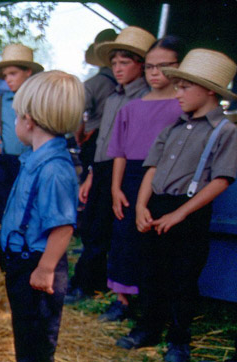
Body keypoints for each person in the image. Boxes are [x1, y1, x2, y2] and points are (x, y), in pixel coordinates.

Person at [117, 49, 237, 362]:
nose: (178, 93)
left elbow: (221, 180)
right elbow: (151, 168)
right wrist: (142, 205)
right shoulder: (171, 127)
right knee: (150, 271)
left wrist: (181, 212)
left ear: (209, 89)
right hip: (157, 204)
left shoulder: (224, 131)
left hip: (189, 210)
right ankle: (148, 328)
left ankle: (179, 340)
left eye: (184, 87)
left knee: (183, 277)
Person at [0, 71, 85, 362]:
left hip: (38, 265)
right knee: (25, 329)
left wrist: (45, 269)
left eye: (16, 116)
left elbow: (62, 226)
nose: (15, 122)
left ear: (28, 121)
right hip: (24, 261)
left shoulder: (55, 169)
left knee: (37, 338)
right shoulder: (36, 158)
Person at [67, 27, 155, 302]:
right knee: (92, 225)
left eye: (124, 63)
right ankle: (87, 281)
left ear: (141, 66)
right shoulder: (114, 96)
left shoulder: (145, 98)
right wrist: (92, 173)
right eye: (114, 63)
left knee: (112, 230)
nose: (117, 68)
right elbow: (105, 140)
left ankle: (95, 285)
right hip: (103, 167)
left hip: (128, 170)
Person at [101, 37, 184, 322]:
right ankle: (122, 299)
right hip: (130, 177)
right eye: (149, 66)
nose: (154, 72)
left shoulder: (183, 107)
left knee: (155, 242)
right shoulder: (131, 107)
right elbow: (119, 151)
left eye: (164, 66)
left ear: (180, 67)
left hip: (166, 178)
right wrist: (115, 188)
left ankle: (152, 302)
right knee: (124, 237)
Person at [0, 44, 44, 222]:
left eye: (13, 74)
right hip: (5, 162)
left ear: (28, 71)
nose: (8, 80)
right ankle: (6, 246)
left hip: (33, 161)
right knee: (4, 207)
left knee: (30, 207)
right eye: (5, 76)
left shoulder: (40, 100)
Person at [76, 29, 118, 186]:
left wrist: (80, 135)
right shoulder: (129, 84)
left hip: (95, 139)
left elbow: (77, 113)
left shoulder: (92, 84)